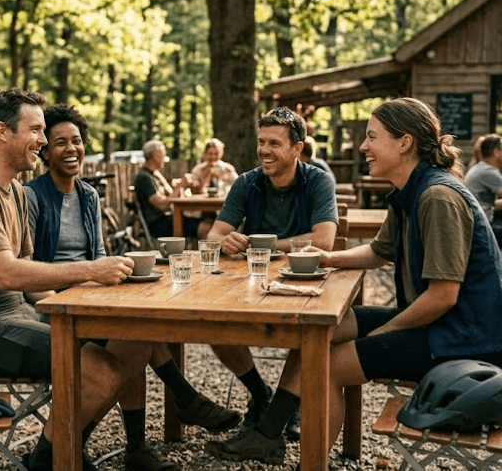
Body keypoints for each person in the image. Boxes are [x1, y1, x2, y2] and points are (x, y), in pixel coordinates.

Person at [205, 97, 502, 465]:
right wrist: (325, 258)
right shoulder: (410, 190)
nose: (363, 146)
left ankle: (305, 460)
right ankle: (269, 432)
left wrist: (387, 331)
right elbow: (378, 251)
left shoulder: (437, 197)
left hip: (464, 340)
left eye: (372, 137)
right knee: (323, 329)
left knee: (325, 365)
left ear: (404, 142)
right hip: (443, 326)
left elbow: (442, 297)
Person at [0, 88, 143, 471]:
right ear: (2, 132)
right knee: (100, 369)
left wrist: (77, 306)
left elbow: (29, 271)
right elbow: (8, 273)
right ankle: (52, 460)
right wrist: (90, 270)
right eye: (35, 130)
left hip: (21, 315)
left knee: (130, 337)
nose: (44, 141)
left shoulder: (15, 190)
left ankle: (63, 452)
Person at [23, 104, 241, 471]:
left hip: (90, 294)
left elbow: (100, 255)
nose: (71, 148)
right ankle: (160, 418)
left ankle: (135, 441)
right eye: (59, 142)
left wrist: (118, 276)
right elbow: (27, 273)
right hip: (53, 303)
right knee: (135, 334)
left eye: (76, 141)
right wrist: (78, 284)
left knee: (138, 327)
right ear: (45, 151)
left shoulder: (89, 196)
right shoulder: (32, 197)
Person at [205, 107, 339, 439]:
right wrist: (226, 241)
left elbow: (324, 240)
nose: (265, 150)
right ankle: (262, 394)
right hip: (249, 282)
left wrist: (268, 246)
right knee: (213, 325)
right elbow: (213, 235)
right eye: (261, 141)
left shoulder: (318, 181)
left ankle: (288, 405)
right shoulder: (246, 182)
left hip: (305, 283)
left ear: (297, 147)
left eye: (275, 143)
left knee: (312, 332)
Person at [134, 140, 207, 239]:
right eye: (163, 155)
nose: (165, 159)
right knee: (205, 227)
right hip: (159, 224)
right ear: (155, 155)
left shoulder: (155, 174)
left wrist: (178, 186)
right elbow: (162, 205)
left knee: (208, 220)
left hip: (170, 218)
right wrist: (181, 185)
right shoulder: (144, 178)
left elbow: (170, 195)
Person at [464, 133, 502, 246]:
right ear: (496, 152)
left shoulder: (479, 168)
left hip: (475, 224)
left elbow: (487, 203)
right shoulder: (489, 172)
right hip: (482, 226)